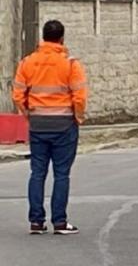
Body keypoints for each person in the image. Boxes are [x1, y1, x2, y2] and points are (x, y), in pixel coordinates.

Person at [12, 20, 87, 235]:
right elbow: (79, 96)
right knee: (61, 174)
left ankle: (36, 221)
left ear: (43, 37)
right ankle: (60, 222)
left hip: (38, 124)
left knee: (37, 172)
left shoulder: (28, 62)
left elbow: (18, 93)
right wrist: (78, 117)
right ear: (62, 38)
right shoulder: (70, 64)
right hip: (64, 124)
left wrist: (28, 114)